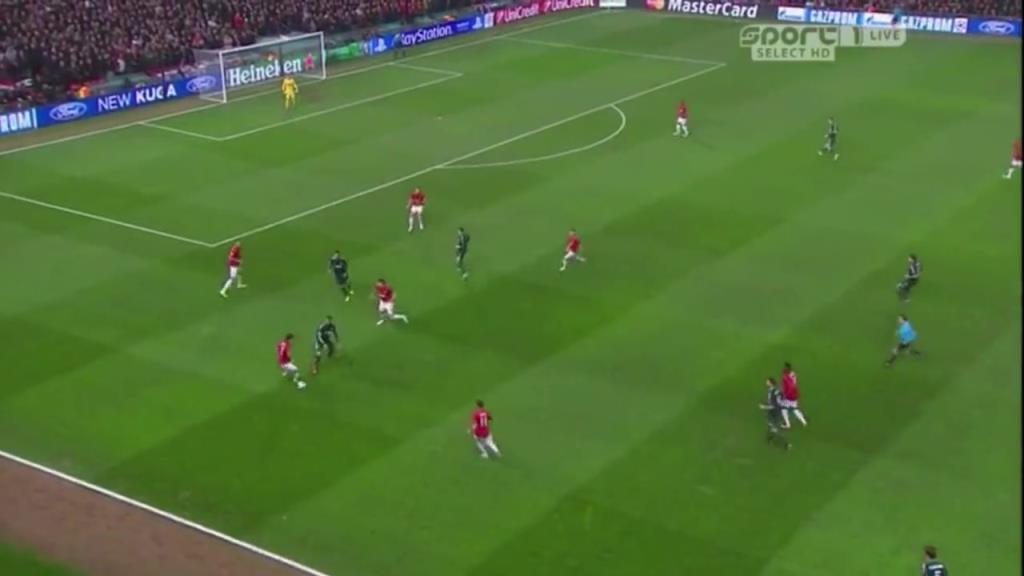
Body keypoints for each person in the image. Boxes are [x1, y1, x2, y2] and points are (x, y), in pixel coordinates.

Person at [759, 377, 791, 450]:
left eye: (767, 381)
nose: (766, 382)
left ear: (771, 383)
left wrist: (764, 407)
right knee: (771, 426)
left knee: (775, 428)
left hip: (774, 412)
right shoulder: (774, 390)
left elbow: (774, 405)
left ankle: (786, 444)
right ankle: (770, 438)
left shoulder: (773, 392)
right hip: (775, 411)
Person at [780, 362, 808, 428]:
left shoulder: (787, 376)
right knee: (794, 409)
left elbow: (790, 386)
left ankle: (788, 424)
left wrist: (785, 395)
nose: (784, 368)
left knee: (784, 409)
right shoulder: (792, 374)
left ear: (788, 368)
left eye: (785, 367)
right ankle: (804, 421)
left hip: (789, 395)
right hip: (794, 394)